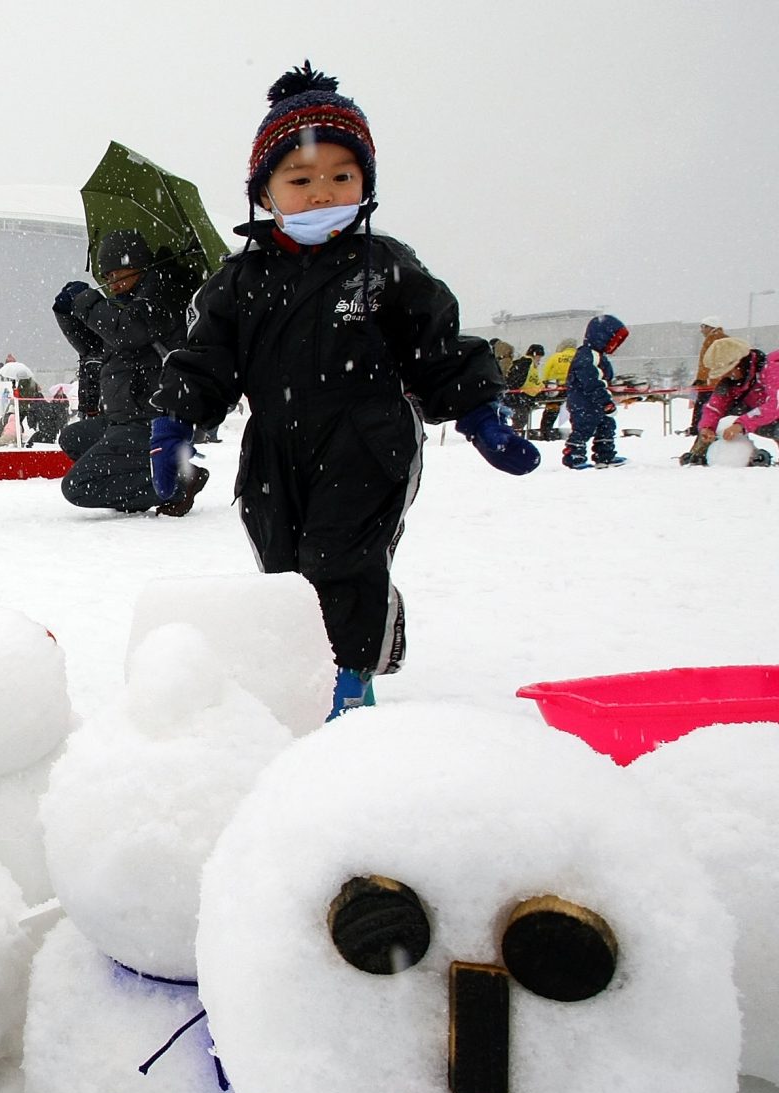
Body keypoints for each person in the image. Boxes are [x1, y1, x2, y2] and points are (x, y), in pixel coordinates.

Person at [148, 63, 534, 720]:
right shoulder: (239, 281)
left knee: (339, 557)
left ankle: (350, 679)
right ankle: (316, 658)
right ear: (265, 193)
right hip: (274, 446)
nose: (322, 192)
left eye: (341, 177)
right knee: (287, 570)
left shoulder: (382, 268)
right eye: (300, 179)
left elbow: (437, 348)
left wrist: (479, 412)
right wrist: (174, 428)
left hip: (367, 438)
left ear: (365, 185)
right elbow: (205, 360)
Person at [53, 231, 203, 515]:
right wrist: (67, 313)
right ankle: (154, 472)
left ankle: (180, 481)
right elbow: (93, 347)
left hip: (151, 421)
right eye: (107, 277)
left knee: (78, 487)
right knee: (72, 438)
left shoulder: (162, 295)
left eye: (116, 273)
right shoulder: (130, 303)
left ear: (137, 264)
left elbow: (126, 332)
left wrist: (87, 302)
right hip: (123, 418)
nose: (111, 283)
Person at [684, 337, 777, 466]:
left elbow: (775, 405)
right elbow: (714, 407)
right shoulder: (731, 383)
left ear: (740, 363)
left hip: (772, 415)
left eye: (728, 371)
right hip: (762, 416)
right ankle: (701, 453)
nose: (725, 376)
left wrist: (741, 424)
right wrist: (707, 428)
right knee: (731, 415)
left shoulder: (773, 368)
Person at [562, 314, 629, 470]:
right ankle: (574, 454)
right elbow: (591, 382)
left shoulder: (598, 356)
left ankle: (604, 454)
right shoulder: (587, 356)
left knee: (606, 425)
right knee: (584, 427)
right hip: (584, 402)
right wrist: (604, 400)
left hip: (594, 401)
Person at [691, 317, 730, 433]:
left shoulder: (712, 339)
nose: (701, 330)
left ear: (709, 327)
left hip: (711, 381)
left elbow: (706, 363)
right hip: (722, 380)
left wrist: (701, 379)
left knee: (703, 406)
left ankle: (699, 428)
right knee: (719, 406)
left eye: (703, 327)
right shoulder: (725, 339)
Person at [534, 339, 576, 440]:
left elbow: (546, 373)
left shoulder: (555, 357)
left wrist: (544, 385)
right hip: (574, 388)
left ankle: (545, 432)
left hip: (556, 389)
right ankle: (577, 431)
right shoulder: (579, 357)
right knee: (575, 411)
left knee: (551, 411)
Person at [504, 344, 544, 437]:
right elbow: (523, 381)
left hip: (518, 396)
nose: (539, 360)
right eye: (539, 357)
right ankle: (510, 436)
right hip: (518, 397)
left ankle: (512, 435)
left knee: (520, 419)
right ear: (535, 355)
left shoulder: (527, 363)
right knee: (520, 419)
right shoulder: (527, 363)